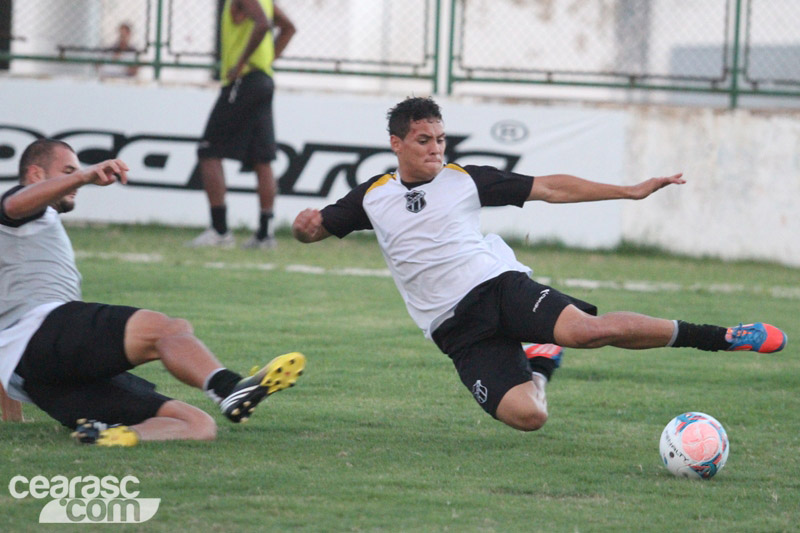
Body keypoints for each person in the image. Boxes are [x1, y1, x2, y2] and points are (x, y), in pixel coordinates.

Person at [292, 96, 787, 432]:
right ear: (397, 144)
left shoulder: (465, 179)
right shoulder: (373, 197)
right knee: (530, 417)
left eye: (441, 139)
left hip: (495, 285)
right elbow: (314, 231)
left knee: (588, 332)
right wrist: (304, 225)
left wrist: (628, 191)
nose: (436, 150)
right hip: (453, 328)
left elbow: (550, 187)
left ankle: (721, 336)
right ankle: (541, 362)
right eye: (424, 141)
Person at [0, 139, 305, 446]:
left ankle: (111, 437)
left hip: (43, 379)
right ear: (37, 175)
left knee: (197, 424)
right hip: (46, 337)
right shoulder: (20, 210)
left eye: (76, 172)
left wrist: (13, 418)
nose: (75, 179)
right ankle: (227, 387)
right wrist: (84, 175)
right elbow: (13, 205)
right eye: (66, 170)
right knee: (168, 329)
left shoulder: (22, 238)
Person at [187, 0, 296, 249]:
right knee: (262, 158)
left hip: (244, 81)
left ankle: (220, 231)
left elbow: (263, 24)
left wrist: (240, 63)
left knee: (208, 150)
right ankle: (265, 235)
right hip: (263, 81)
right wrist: (267, 62)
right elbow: (288, 27)